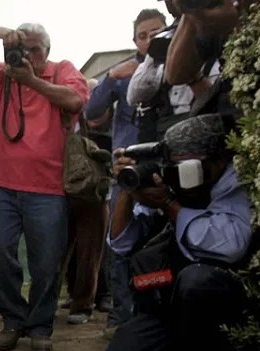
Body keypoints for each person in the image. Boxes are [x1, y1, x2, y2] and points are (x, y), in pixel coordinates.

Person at [90, 114, 252, 351]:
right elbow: (121, 243)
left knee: (196, 282)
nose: (178, 173)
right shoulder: (172, 180)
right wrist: (127, 189)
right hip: (171, 306)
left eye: (187, 166)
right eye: (173, 165)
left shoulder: (234, 182)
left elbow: (231, 246)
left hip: (219, 302)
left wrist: (169, 205)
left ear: (218, 159)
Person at [0, 24, 88, 351]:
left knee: (46, 261)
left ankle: (40, 325)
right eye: (22, 49)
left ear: (47, 51)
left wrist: (31, 79)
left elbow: (74, 100)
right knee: (1, 257)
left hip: (48, 187)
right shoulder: (0, 74)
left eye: (35, 50)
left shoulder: (62, 70)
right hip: (3, 185)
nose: (28, 56)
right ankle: (13, 320)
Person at [87, 8, 168, 330]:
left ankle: (157, 316)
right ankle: (121, 318)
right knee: (120, 245)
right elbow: (92, 111)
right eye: (143, 35)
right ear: (134, 39)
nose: (149, 40)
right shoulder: (123, 73)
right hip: (127, 168)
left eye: (156, 33)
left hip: (167, 167)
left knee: (162, 241)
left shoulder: (183, 64)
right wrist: (109, 78)